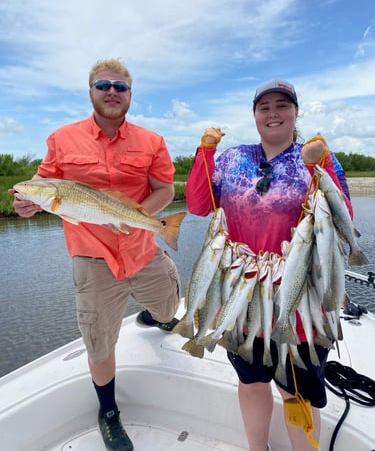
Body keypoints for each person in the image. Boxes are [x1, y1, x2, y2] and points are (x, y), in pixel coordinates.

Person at [9, 58, 181, 451]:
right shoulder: (61, 139)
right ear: (91, 92)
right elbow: (41, 183)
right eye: (103, 85)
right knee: (99, 343)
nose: (112, 92)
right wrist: (27, 203)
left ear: (130, 95)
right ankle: (108, 412)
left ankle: (155, 316)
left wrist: (137, 217)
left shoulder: (152, 141)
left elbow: (165, 190)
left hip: (141, 247)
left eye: (120, 87)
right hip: (91, 259)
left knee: (171, 309)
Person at [185, 78, 353, 451]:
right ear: (255, 115)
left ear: (296, 113)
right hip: (243, 291)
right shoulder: (232, 158)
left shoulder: (316, 156)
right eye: (265, 107)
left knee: (298, 390)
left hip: (301, 297)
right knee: (251, 380)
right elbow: (199, 205)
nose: (273, 113)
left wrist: (321, 161)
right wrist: (205, 152)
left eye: (282, 105)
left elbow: (343, 219)